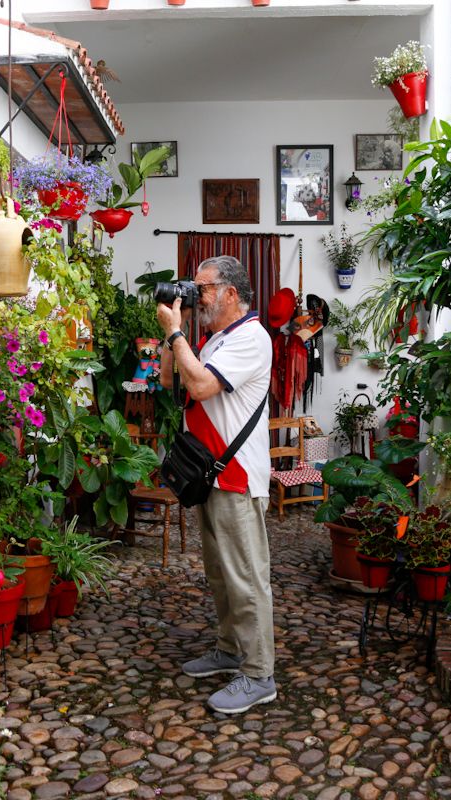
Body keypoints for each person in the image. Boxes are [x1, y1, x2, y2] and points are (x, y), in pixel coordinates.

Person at [157, 255, 276, 714]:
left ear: (230, 293)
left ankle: (259, 673)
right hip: (209, 475)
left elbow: (203, 387)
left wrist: (176, 332)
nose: (195, 295)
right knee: (220, 575)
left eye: (202, 288)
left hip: (236, 477)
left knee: (246, 580)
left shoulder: (252, 338)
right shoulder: (213, 339)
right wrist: (176, 331)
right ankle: (229, 649)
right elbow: (171, 377)